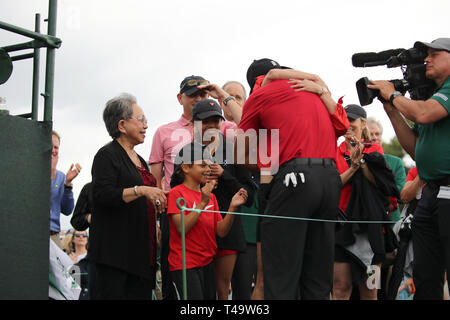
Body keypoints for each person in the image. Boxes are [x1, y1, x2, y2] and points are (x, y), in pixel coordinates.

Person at [236, 58, 349, 300]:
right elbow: (342, 126)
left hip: (294, 178)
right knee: (318, 277)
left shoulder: (261, 93)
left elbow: (240, 149)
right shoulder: (313, 90)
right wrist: (320, 84)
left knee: (280, 275)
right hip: (331, 179)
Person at [368, 37, 450, 300]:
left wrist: (394, 93)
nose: (427, 58)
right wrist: (392, 110)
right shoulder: (429, 98)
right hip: (430, 195)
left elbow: (423, 114)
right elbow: (415, 148)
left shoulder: (436, 100)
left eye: (435, 54)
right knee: (425, 275)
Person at [149, 75, 243, 299]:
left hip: (211, 212)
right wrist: (154, 219)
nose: (198, 98)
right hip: (177, 208)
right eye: (193, 95)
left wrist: (221, 93)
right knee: (179, 285)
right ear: (180, 98)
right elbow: (155, 181)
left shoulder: (223, 125)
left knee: (212, 289)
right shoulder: (164, 131)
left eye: (203, 94)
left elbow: (246, 121)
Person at [90, 93, 167, 300]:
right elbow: (102, 194)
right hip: (116, 256)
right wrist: (141, 190)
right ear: (122, 125)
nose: (146, 125)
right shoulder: (107, 155)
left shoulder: (140, 159)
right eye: (141, 120)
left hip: (141, 254)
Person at [191, 99, 255, 300]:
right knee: (201, 291)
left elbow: (249, 195)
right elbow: (178, 191)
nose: (211, 126)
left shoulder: (234, 150)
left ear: (221, 122)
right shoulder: (187, 153)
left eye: (215, 120)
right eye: (205, 121)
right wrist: (201, 182)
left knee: (223, 290)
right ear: (195, 124)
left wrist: (223, 175)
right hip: (196, 230)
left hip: (228, 230)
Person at [333, 104, 399, 300]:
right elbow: (335, 183)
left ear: (363, 124)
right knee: (340, 287)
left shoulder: (375, 148)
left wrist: (361, 158)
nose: (348, 125)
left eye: (351, 120)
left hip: (372, 233)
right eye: (344, 120)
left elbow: (379, 183)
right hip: (342, 228)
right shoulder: (336, 150)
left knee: (370, 290)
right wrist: (352, 167)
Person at [167, 142, 248, 300]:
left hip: (207, 263)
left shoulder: (210, 196)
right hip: (185, 266)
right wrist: (202, 203)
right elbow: (182, 229)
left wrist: (232, 206)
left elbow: (221, 231)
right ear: (185, 167)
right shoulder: (177, 193)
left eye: (209, 165)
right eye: (203, 165)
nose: (208, 169)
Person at [367, 117, 406, 223]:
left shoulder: (396, 162)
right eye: (371, 134)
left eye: (377, 134)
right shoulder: (359, 162)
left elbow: (400, 192)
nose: (374, 137)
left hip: (392, 220)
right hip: (366, 220)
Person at [50, 130, 81, 248]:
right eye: (50, 146)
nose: (53, 150)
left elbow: (67, 210)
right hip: (32, 233)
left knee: (64, 266)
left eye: (56, 147)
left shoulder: (62, 177)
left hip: (53, 236)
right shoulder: (30, 172)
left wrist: (68, 184)